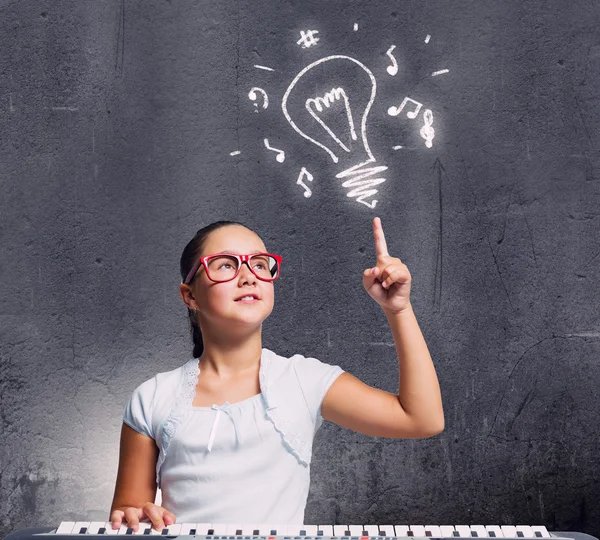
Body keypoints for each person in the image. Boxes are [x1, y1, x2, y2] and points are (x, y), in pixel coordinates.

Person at [109, 217, 444, 531]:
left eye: (259, 264)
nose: (248, 276)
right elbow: (128, 514)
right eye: (226, 265)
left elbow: (422, 419)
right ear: (190, 296)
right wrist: (136, 515)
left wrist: (397, 309)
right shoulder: (151, 397)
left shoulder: (304, 380)